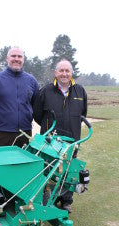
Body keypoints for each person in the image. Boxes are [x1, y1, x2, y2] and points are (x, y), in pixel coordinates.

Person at [33, 59, 87, 213]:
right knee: (45, 169)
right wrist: (48, 126)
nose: (64, 74)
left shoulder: (80, 91)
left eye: (67, 71)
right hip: (50, 140)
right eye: (61, 71)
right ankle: (43, 198)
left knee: (68, 171)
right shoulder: (46, 91)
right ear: (56, 73)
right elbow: (37, 114)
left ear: (71, 73)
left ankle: (66, 201)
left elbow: (83, 114)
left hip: (72, 140)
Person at [0, 46, 39, 147]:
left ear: (23, 59)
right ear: (7, 58)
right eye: (13, 56)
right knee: (1, 161)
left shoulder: (32, 81)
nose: (16, 59)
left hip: (25, 132)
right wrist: (1, 116)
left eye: (19, 56)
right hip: (2, 133)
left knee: (24, 162)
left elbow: (35, 104)